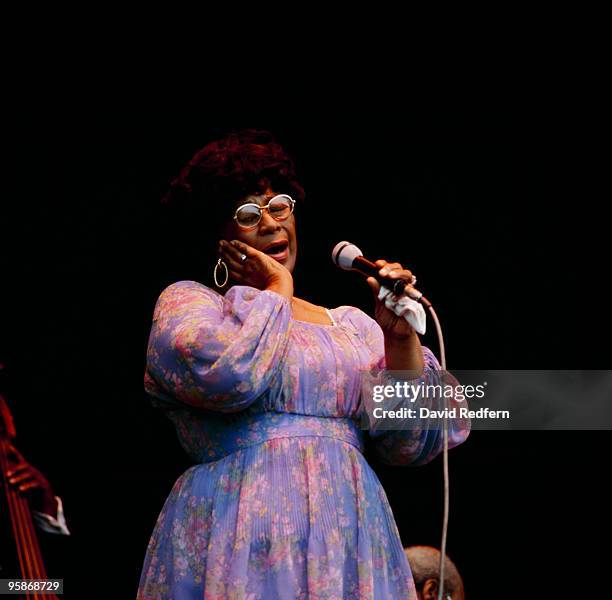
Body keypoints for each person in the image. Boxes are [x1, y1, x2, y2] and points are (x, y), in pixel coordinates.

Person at [138, 129, 470, 599]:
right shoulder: (192, 306)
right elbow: (231, 377)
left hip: (351, 539)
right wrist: (275, 290)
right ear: (220, 237)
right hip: (243, 534)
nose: (272, 224)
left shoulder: (348, 324)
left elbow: (411, 439)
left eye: (280, 207)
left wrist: (400, 342)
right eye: (250, 213)